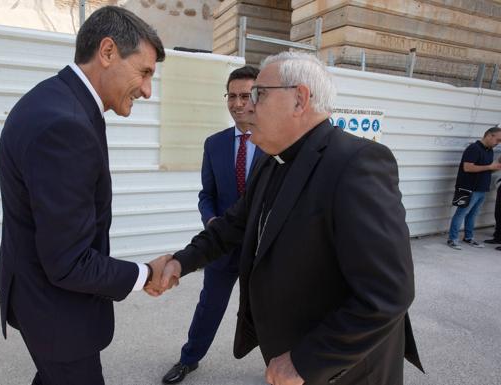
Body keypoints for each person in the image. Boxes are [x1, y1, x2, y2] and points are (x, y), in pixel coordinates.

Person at [159, 52, 424, 385]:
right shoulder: (272, 159)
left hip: (343, 369)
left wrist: (306, 360)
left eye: (259, 94)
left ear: (300, 99)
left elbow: (388, 293)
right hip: (288, 354)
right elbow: (234, 224)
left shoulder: (357, 164)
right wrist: (181, 262)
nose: (247, 106)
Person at [0, 7, 169, 385]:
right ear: (107, 52)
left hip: (37, 297)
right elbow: (69, 263)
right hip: (57, 313)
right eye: (144, 72)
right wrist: (145, 274)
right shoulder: (66, 125)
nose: (147, 90)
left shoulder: (56, 99)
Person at [162, 66, 264, 384]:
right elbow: (207, 195)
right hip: (222, 244)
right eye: (231, 96)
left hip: (261, 247)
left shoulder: (275, 144)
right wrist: (211, 220)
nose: (237, 103)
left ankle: (280, 365)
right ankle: (188, 359)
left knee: (268, 309)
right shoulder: (215, 144)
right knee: (210, 305)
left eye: (245, 96)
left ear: (259, 98)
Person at [447, 127, 501, 250]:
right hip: (469, 188)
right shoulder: (473, 149)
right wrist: (489, 167)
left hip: (482, 189)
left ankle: (468, 237)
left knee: (473, 214)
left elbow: (486, 169)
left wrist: (495, 168)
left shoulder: (489, 150)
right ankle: (452, 239)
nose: (498, 143)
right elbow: (468, 168)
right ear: (489, 135)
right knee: (461, 213)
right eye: (497, 140)